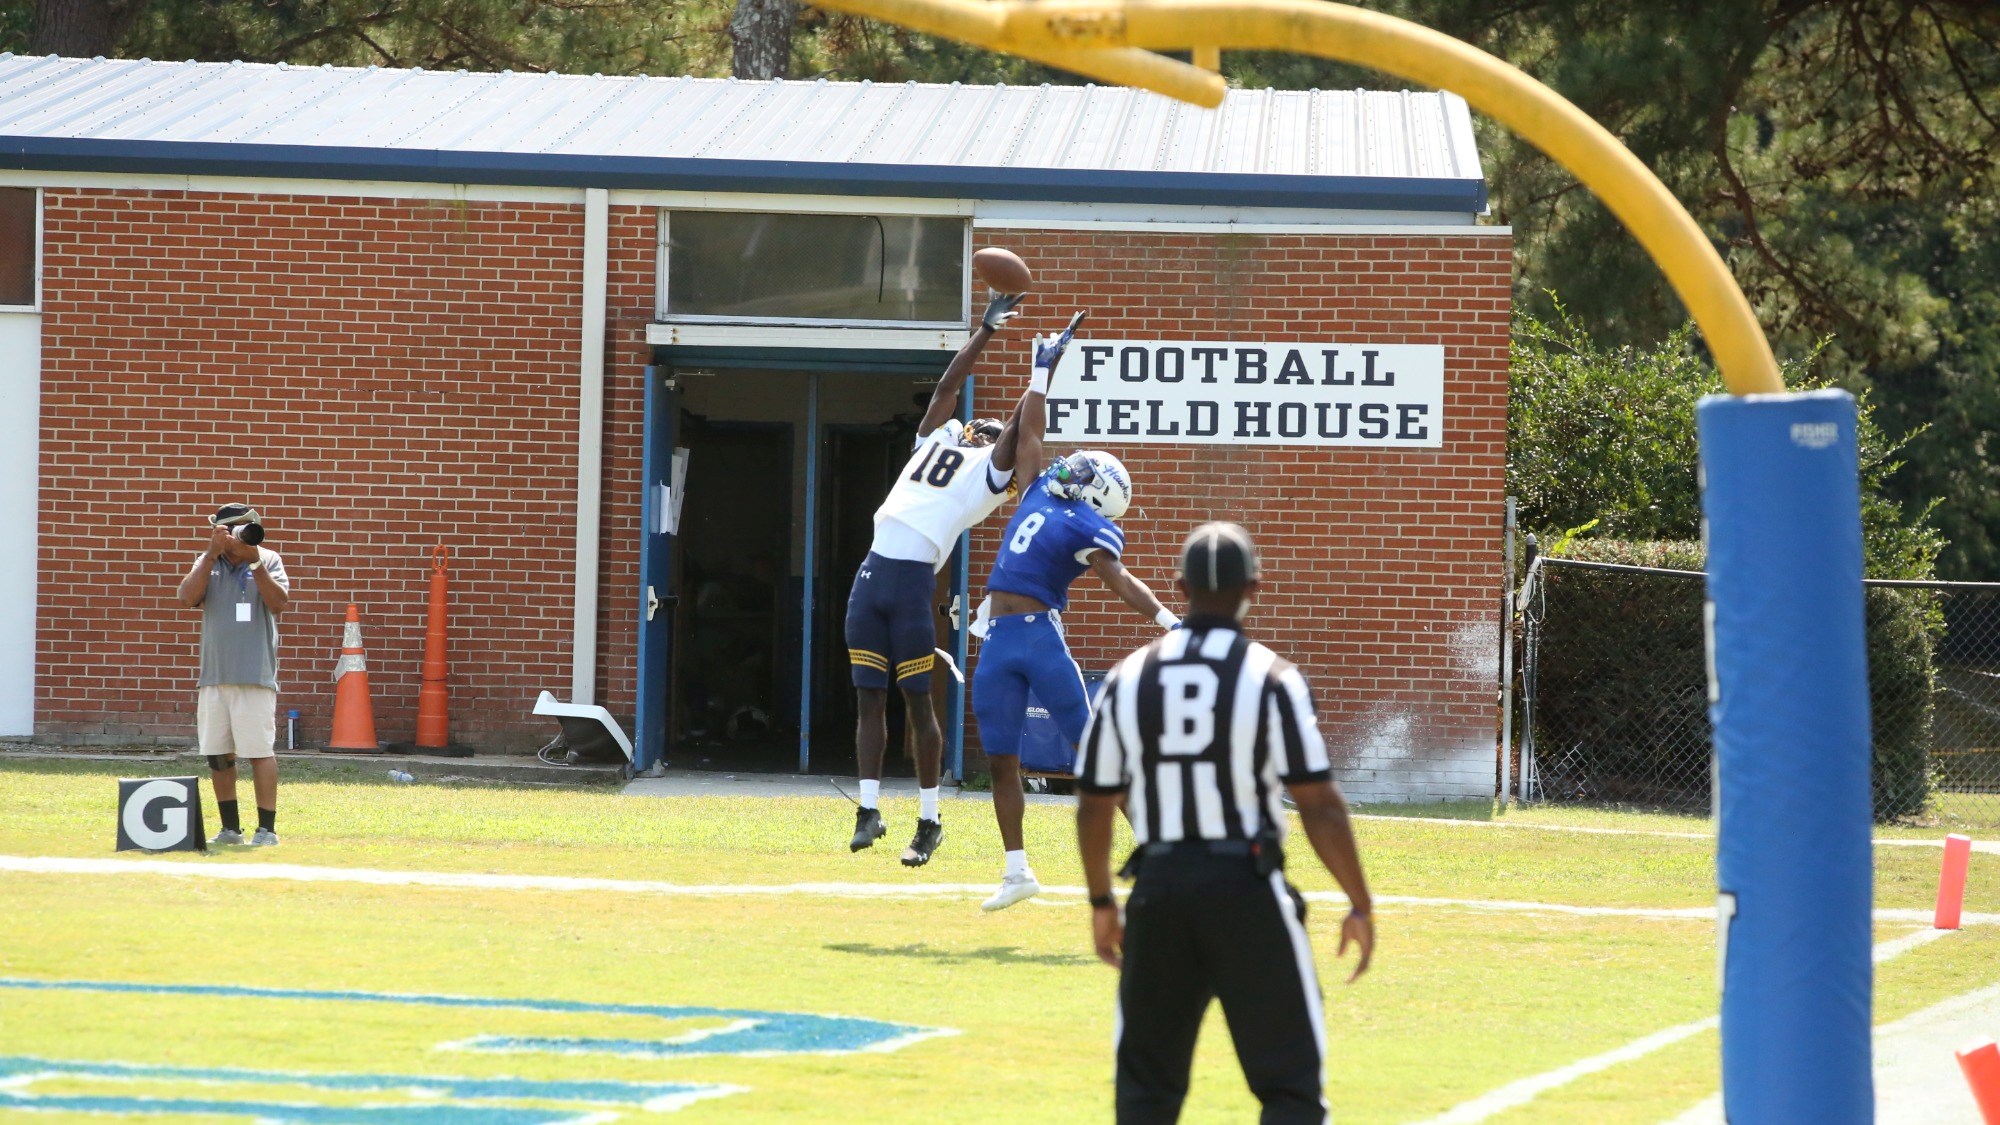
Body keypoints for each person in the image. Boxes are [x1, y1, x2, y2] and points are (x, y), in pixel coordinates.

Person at [1073, 522, 1374, 1125]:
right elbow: (1319, 803)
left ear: (1180, 587)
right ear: (1253, 588)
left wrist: (1103, 899)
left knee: (1146, 1094)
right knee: (1289, 1090)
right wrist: (1359, 901)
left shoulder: (1127, 677)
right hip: (1247, 887)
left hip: (1158, 892)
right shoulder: (1272, 677)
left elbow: (1094, 802)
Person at [845, 290, 1067, 866]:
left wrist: (1041, 376)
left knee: (917, 700)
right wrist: (985, 332)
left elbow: (1022, 429)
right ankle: (868, 809)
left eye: (991, 430)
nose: (981, 428)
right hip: (871, 573)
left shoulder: (989, 476)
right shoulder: (937, 441)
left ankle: (929, 819)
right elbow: (946, 389)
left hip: (914, 580)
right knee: (868, 696)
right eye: (981, 424)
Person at [969, 443, 1178, 911]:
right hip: (998, 641)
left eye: (1086, 471)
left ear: (1098, 494)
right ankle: (1017, 872)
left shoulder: (1090, 526)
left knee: (1094, 751)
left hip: (1040, 638)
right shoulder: (1041, 487)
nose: (1072, 468)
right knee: (1001, 758)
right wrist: (1041, 375)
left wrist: (1171, 623)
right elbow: (1030, 440)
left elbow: (1121, 580)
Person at [175, 503, 292, 847]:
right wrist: (211, 555)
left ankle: (266, 830)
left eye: (245, 527)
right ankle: (230, 830)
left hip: (255, 674)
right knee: (217, 753)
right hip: (215, 674)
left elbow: (279, 603)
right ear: (218, 532)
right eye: (232, 530)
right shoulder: (207, 561)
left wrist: (254, 562)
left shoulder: (268, 559)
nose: (240, 534)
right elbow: (186, 597)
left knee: (259, 750)